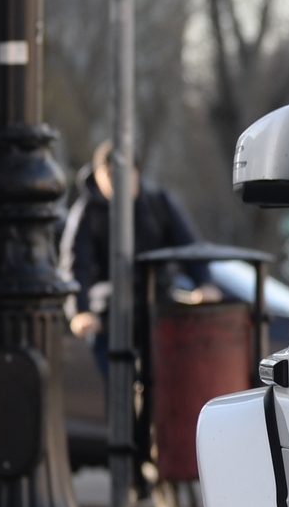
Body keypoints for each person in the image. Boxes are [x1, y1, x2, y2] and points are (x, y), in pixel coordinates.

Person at [59, 140, 216, 361]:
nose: (117, 183)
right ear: (97, 175)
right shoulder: (87, 213)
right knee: (117, 381)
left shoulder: (157, 204)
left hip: (157, 310)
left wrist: (204, 283)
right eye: (110, 175)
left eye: (123, 174)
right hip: (109, 316)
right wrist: (80, 311)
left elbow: (189, 247)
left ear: (136, 173)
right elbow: (76, 265)